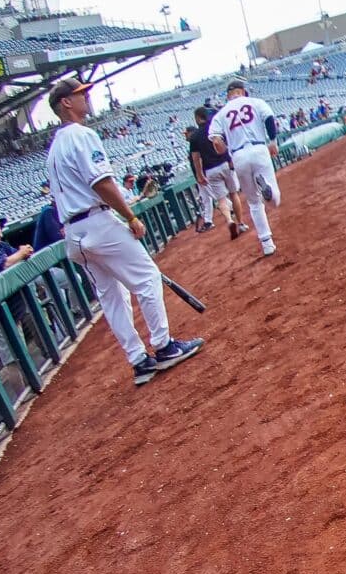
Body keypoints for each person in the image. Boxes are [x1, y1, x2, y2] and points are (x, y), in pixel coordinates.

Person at [43, 76, 202, 388]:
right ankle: (164, 346)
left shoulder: (53, 147)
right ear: (66, 103)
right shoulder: (81, 134)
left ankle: (139, 361)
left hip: (73, 233)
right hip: (97, 221)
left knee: (112, 299)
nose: (86, 98)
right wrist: (129, 216)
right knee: (146, 278)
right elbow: (100, 183)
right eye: (79, 94)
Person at [210, 78, 283, 257]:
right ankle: (268, 191)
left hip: (238, 155)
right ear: (242, 91)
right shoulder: (255, 102)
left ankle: (267, 244)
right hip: (259, 148)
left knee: (253, 202)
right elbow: (269, 119)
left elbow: (216, 141)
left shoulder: (221, 114)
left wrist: (228, 153)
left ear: (228, 96)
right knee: (274, 201)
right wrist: (273, 141)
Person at [188, 103, 240, 238]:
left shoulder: (194, 137)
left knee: (221, 200)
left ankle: (229, 220)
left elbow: (195, 158)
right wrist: (230, 161)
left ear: (198, 119)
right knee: (234, 194)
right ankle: (240, 223)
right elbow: (225, 146)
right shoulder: (215, 128)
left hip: (210, 170)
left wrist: (199, 175)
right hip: (224, 164)